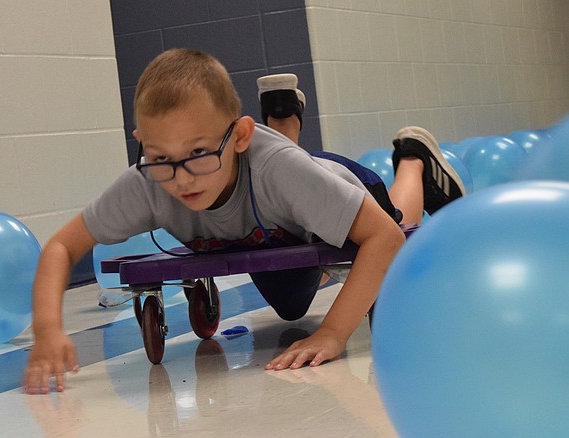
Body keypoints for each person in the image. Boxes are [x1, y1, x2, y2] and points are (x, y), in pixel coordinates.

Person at [24, 49, 465, 394]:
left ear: (237, 137)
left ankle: (414, 164)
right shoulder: (148, 181)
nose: (180, 178)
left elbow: (384, 237)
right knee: (291, 309)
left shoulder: (281, 171)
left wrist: (332, 333)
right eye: (161, 158)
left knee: (398, 219)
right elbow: (62, 246)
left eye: (198, 153)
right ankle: (282, 121)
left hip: (326, 182)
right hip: (272, 220)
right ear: (143, 144)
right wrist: (47, 329)